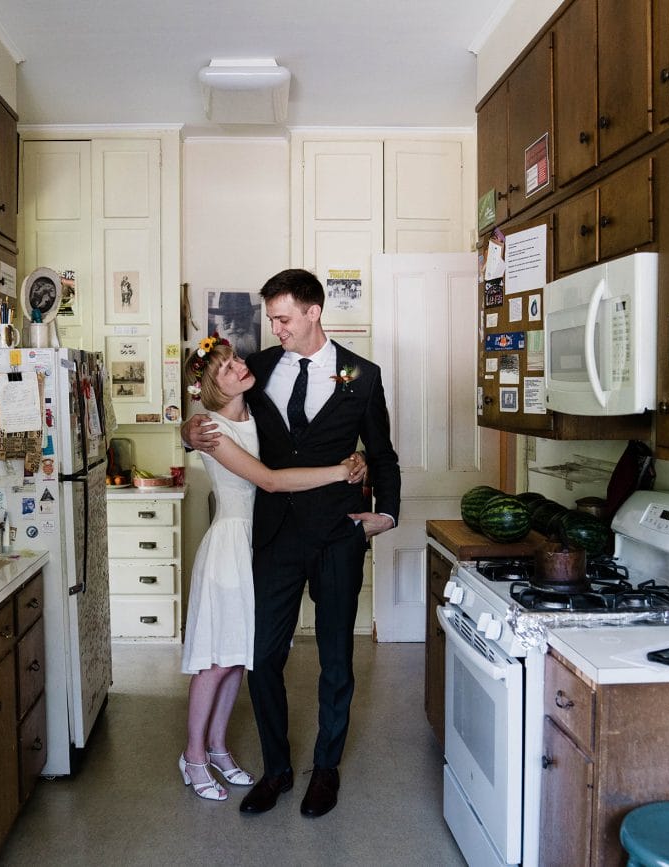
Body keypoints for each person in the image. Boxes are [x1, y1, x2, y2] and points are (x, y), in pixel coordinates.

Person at [183, 268, 401, 818]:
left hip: (337, 537)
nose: (275, 329)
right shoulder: (255, 368)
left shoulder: (361, 375)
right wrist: (186, 431)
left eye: (282, 318)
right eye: (271, 319)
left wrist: (387, 513)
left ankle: (325, 769)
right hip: (272, 537)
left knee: (335, 660)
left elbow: (382, 454)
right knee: (262, 658)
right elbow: (212, 410)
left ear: (313, 313)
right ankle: (276, 770)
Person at [178, 334, 366, 802]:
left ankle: (219, 748)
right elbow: (270, 480)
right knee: (216, 662)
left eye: (235, 359)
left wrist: (358, 458)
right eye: (224, 369)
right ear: (211, 387)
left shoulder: (254, 410)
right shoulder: (213, 429)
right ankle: (193, 756)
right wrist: (341, 472)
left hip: (258, 544)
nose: (238, 367)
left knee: (241, 656)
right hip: (229, 544)